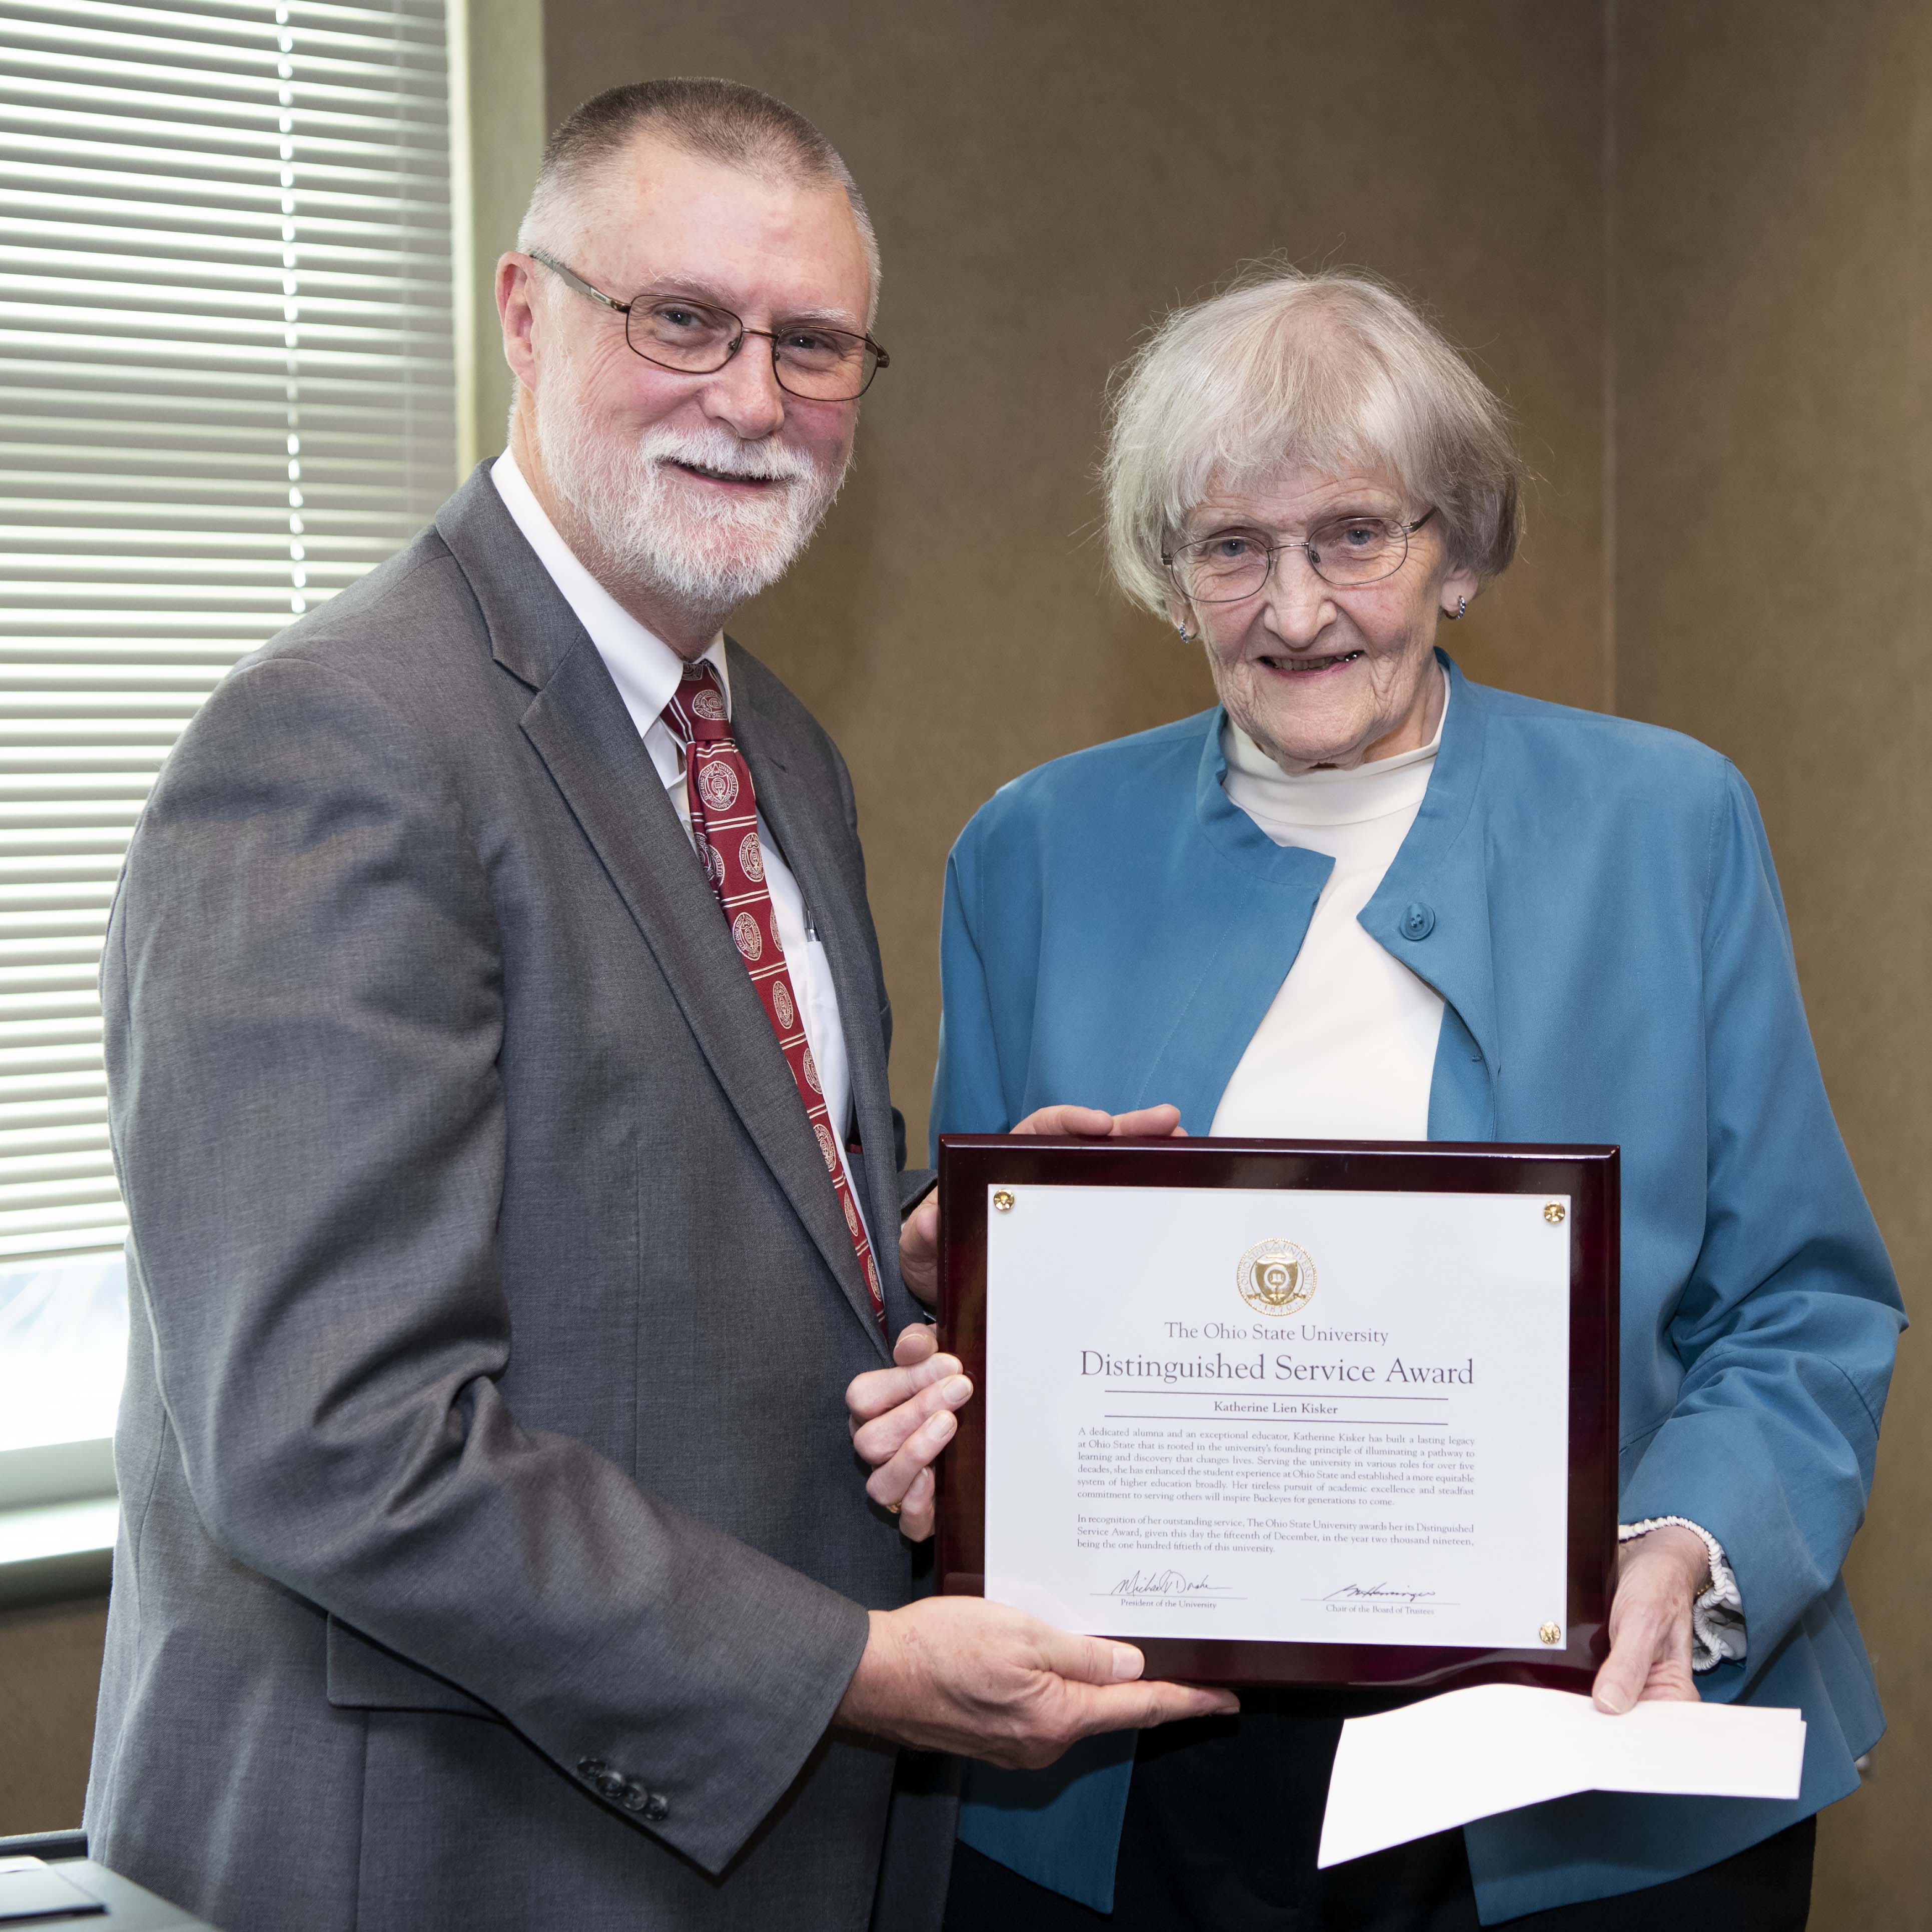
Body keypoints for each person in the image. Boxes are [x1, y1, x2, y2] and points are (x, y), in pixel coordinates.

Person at [86, 79, 1227, 1932]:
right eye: (682, 320)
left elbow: (669, 1217)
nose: (754, 397)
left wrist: (950, 1259)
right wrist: (849, 1671)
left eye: (816, 344)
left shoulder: (773, 747)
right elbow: (332, 1439)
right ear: (528, 318)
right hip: (454, 1844)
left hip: (740, 1846)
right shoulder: (341, 742)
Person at [851, 267, 1904, 1927]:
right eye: (1231, 548)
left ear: (1460, 550)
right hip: (1146, 1783)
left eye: (1355, 534)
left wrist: (1692, 1549)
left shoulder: (1668, 826)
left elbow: (1800, 1306)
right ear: (1167, 570)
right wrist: (943, 1329)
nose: (1293, 609)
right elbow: (963, 1317)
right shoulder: (1034, 853)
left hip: (1584, 1768)